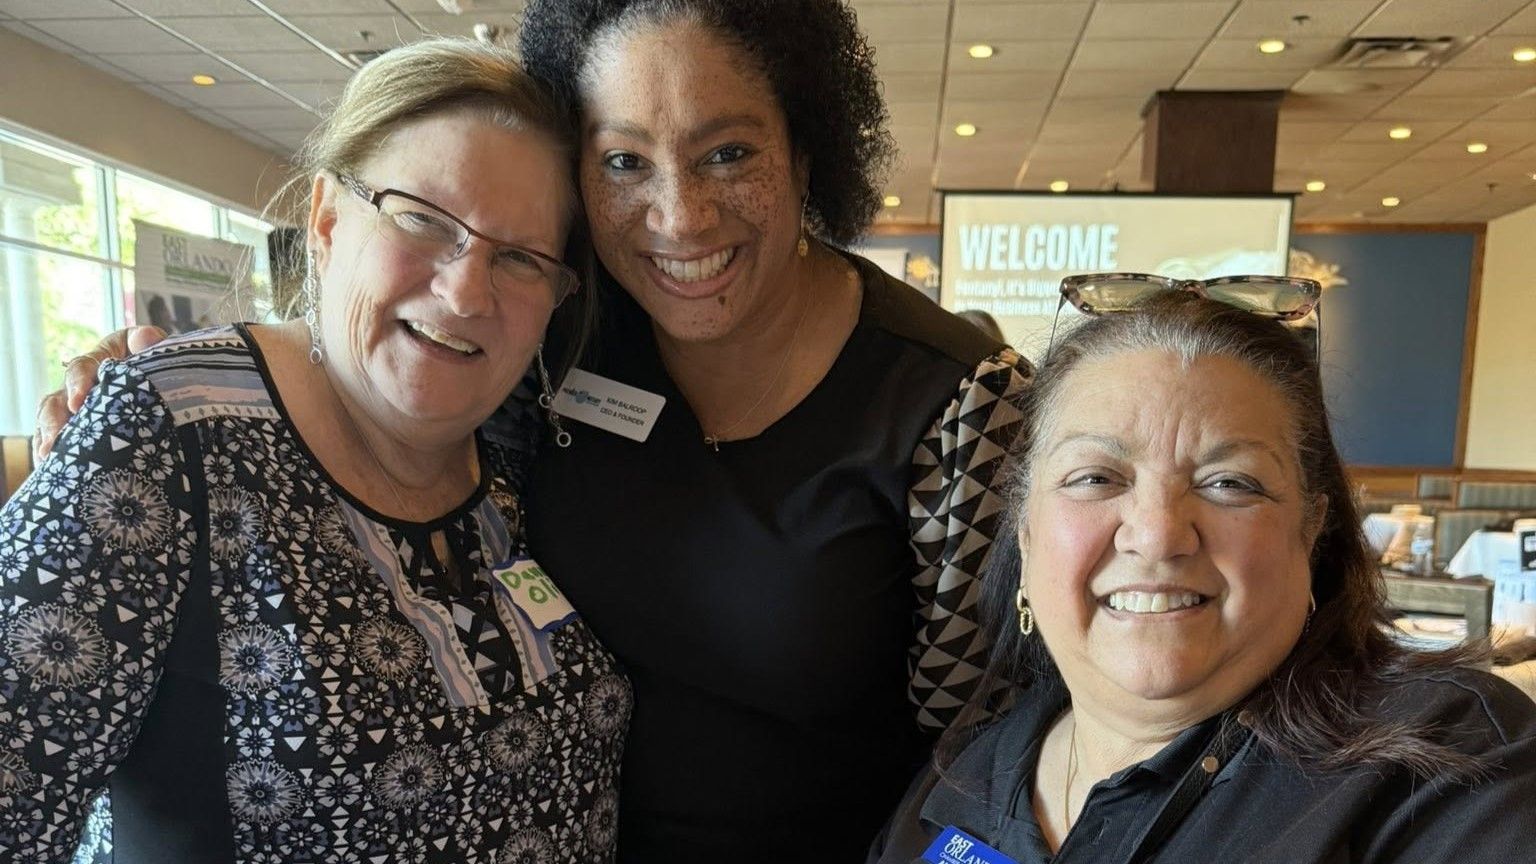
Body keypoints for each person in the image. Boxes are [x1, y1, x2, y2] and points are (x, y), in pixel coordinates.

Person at [36, 2, 1032, 858]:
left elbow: (985, 758)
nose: (679, 217)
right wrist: (136, 403)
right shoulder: (566, 340)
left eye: (729, 153)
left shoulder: (952, 406)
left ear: (805, 147)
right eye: (624, 162)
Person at [3, 38, 629, 863]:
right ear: (328, 218)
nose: (466, 291)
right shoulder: (168, 431)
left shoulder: (514, 448)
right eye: (423, 219)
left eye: (519, 257)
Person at [870, 287, 1536, 863]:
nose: (1158, 533)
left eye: (1229, 483)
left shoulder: (1447, 763)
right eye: (1096, 478)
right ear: (1025, 530)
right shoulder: (963, 771)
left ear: (1311, 530)